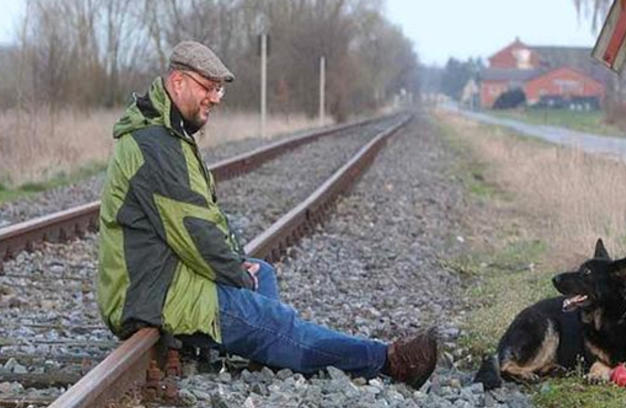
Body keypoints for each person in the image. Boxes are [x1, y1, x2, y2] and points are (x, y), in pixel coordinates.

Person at [96, 41, 437, 388]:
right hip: (152, 294)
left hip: (171, 276)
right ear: (178, 82)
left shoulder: (169, 133)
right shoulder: (155, 145)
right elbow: (196, 232)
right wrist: (236, 276)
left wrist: (239, 266)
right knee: (273, 317)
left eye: (218, 90)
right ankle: (387, 360)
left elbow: (204, 218)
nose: (215, 98)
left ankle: (272, 341)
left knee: (263, 274)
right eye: (208, 87)